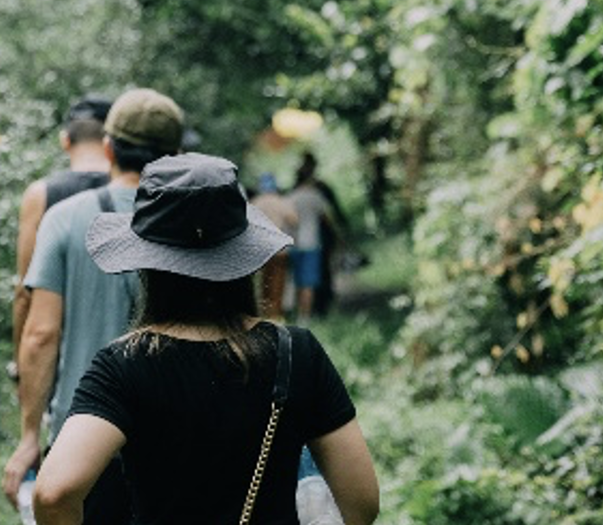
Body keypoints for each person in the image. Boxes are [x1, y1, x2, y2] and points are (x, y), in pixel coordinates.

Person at [32, 153, 378, 525]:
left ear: (149, 263)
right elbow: (362, 503)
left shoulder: (122, 366)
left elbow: (54, 493)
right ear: (243, 254)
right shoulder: (296, 352)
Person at [3, 88, 187, 524]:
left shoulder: (65, 218)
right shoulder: (192, 221)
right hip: (177, 432)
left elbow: (41, 334)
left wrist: (29, 434)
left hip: (80, 437)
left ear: (108, 148)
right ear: (177, 155)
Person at [12, 94, 114, 364]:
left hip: (61, 359)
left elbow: (25, 294)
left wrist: (21, 364)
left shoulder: (41, 195)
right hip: (124, 358)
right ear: (111, 143)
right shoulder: (136, 193)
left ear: (65, 140)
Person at [288, 153, 345, 320]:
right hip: (317, 239)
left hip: (296, 241)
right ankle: (317, 309)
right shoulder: (320, 190)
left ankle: (303, 311)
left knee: (299, 277)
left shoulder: (291, 194)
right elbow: (332, 215)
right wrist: (340, 236)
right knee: (319, 274)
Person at [248, 173, 297, 321]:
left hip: (261, 250)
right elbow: (294, 221)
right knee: (278, 284)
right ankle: (276, 316)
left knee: (262, 284)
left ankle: (262, 315)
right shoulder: (281, 202)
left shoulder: (255, 202)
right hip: (280, 249)